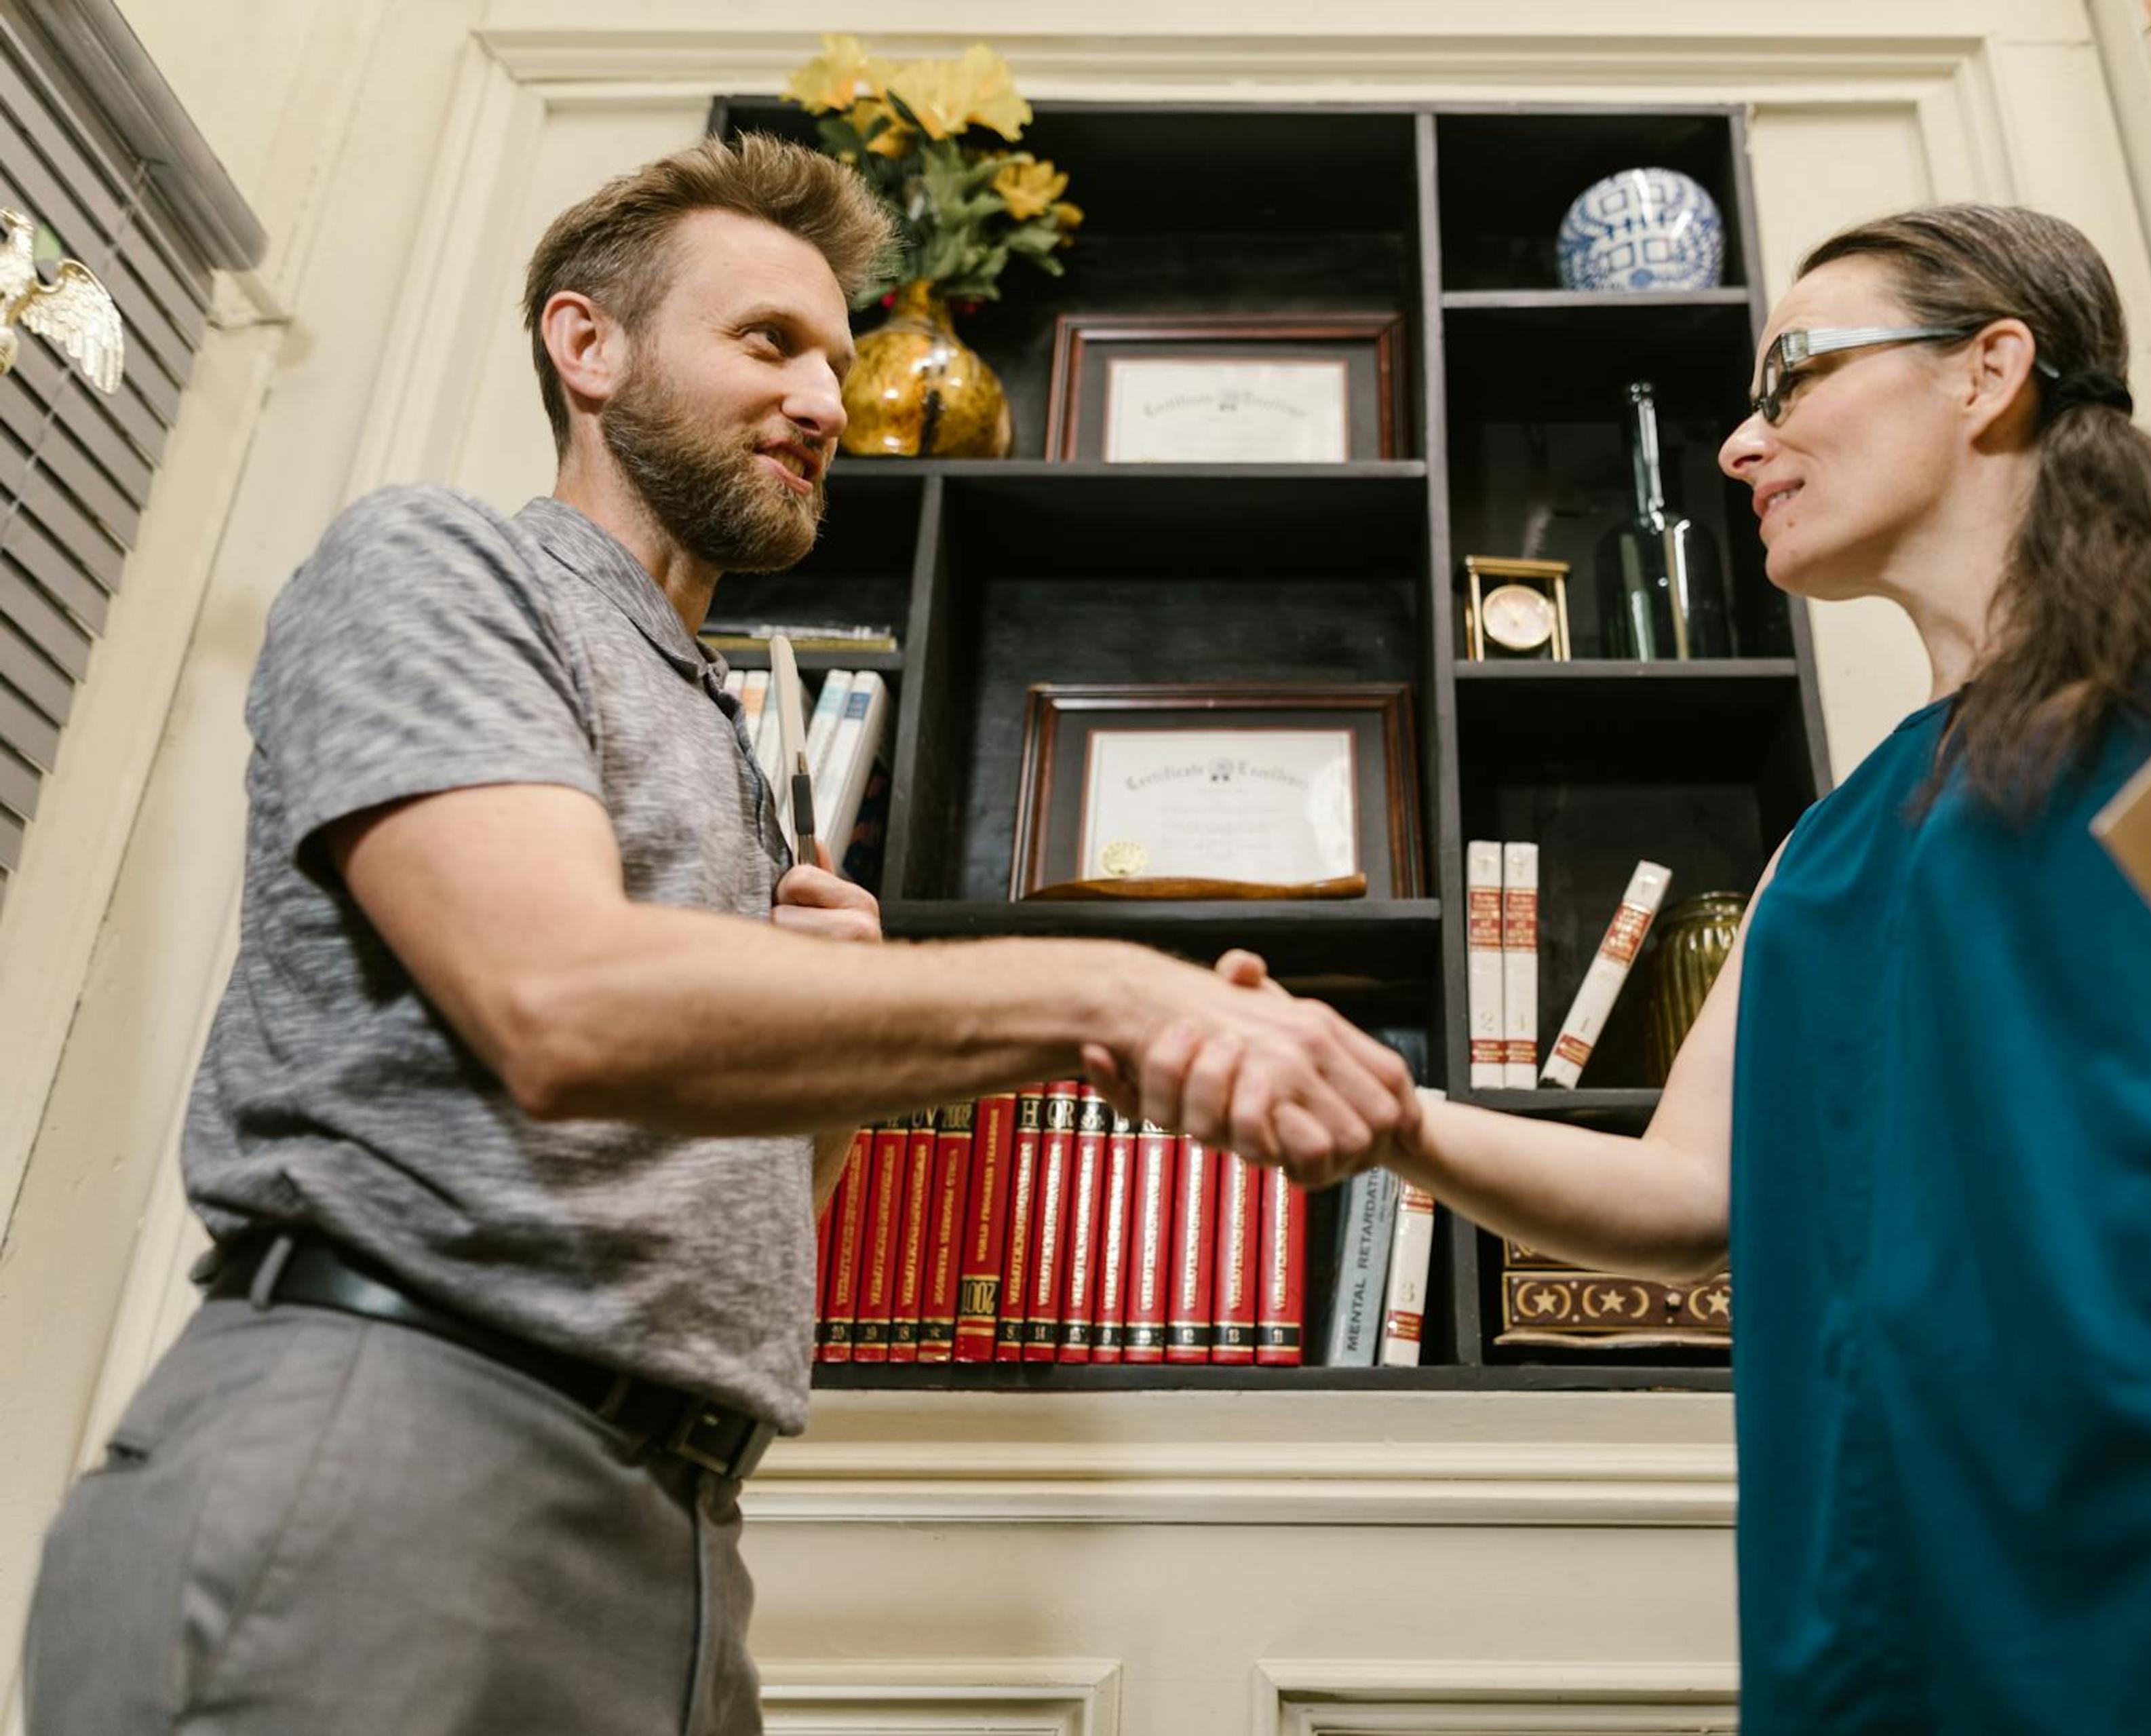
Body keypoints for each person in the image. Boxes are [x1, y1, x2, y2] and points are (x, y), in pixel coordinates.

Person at [1136, 204, 2151, 1732]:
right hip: (1950, 1593)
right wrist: (1395, 1117)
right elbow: (1685, 1196)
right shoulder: (1825, 849)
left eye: (1792, 377)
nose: (1739, 446)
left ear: (1988, 371)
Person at [21, 134, 1415, 1736]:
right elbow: (558, 1006)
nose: (831, 402)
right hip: (390, 1459)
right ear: (587, 345)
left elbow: (732, 1196)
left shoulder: (725, 737)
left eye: (836, 360)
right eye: (772, 343)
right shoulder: (440, 566)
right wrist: (1112, 990)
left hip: (675, 1518)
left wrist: (835, 1046)